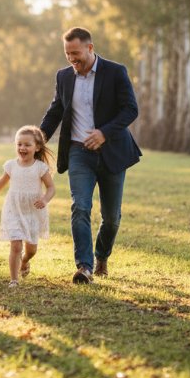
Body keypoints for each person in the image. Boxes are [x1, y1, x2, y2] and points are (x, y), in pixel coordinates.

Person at [39, 27, 141, 284]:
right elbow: (56, 111)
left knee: (111, 218)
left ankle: (101, 255)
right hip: (78, 152)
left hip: (112, 152)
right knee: (80, 206)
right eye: (67, 53)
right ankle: (84, 267)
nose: (72, 58)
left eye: (76, 52)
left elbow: (130, 109)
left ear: (90, 48)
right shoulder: (64, 77)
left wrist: (104, 133)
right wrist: (39, 138)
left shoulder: (115, 72)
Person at [0, 126, 56, 287]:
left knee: (31, 249)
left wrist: (45, 199)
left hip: (33, 211)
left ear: (37, 147)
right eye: (19, 144)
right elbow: (0, 183)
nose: (22, 148)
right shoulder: (11, 165)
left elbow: (51, 188)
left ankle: (25, 260)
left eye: (27, 145)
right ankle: (14, 280)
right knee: (15, 245)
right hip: (13, 209)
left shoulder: (40, 168)